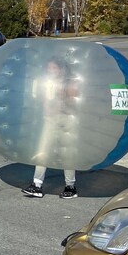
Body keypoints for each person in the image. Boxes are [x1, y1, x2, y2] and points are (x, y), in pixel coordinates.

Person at [22, 57, 79, 199]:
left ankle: (70, 186)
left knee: (67, 154)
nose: (51, 71)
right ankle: (37, 185)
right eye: (49, 68)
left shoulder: (69, 83)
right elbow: (41, 101)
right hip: (50, 121)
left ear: (61, 69)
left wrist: (64, 97)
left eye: (54, 68)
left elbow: (75, 104)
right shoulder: (46, 84)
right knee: (43, 151)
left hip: (67, 121)